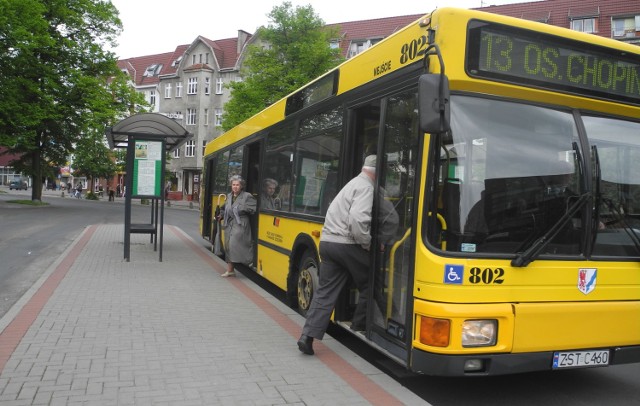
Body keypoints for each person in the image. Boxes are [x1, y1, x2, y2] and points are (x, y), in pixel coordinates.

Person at [297, 155, 377, 355]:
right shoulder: (366, 187)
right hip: (347, 244)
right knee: (372, 282)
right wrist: (368, 244)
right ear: (377, 171)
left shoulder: (352, 184)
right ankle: (358, 326)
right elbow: (357, 221)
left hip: (328, 243)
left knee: (325, 293)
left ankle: (307, 337)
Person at [219, 175, 257, 277]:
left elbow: (255, 208)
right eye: (233, 185)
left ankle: (249, 261)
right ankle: (230, 270)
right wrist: (221, 215)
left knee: (233, 244)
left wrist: (243, 208)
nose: (235, 187)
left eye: (237, 185)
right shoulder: (229, 196)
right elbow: (224, 208)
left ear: (241, 186)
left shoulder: (247, 196)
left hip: (241, 223)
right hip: (229, 223)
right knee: (228, 246)